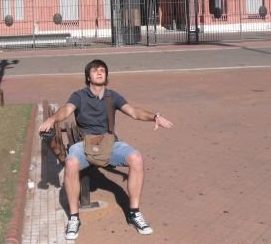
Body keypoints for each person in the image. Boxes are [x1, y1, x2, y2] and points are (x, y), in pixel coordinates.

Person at [39, 59, 174, 240]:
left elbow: (134, 112)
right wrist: (53, 119)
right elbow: (66, 110)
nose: (100, 73)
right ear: (88, 76)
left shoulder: (113, 96)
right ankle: (74, 218)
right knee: (71, 163)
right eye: (95, 70)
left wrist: (154, 116)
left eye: (102, 70)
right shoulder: (79, 96)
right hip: (84, 143)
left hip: (109, 143)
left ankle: (134, 213)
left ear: (107, 76)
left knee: (136, 158)